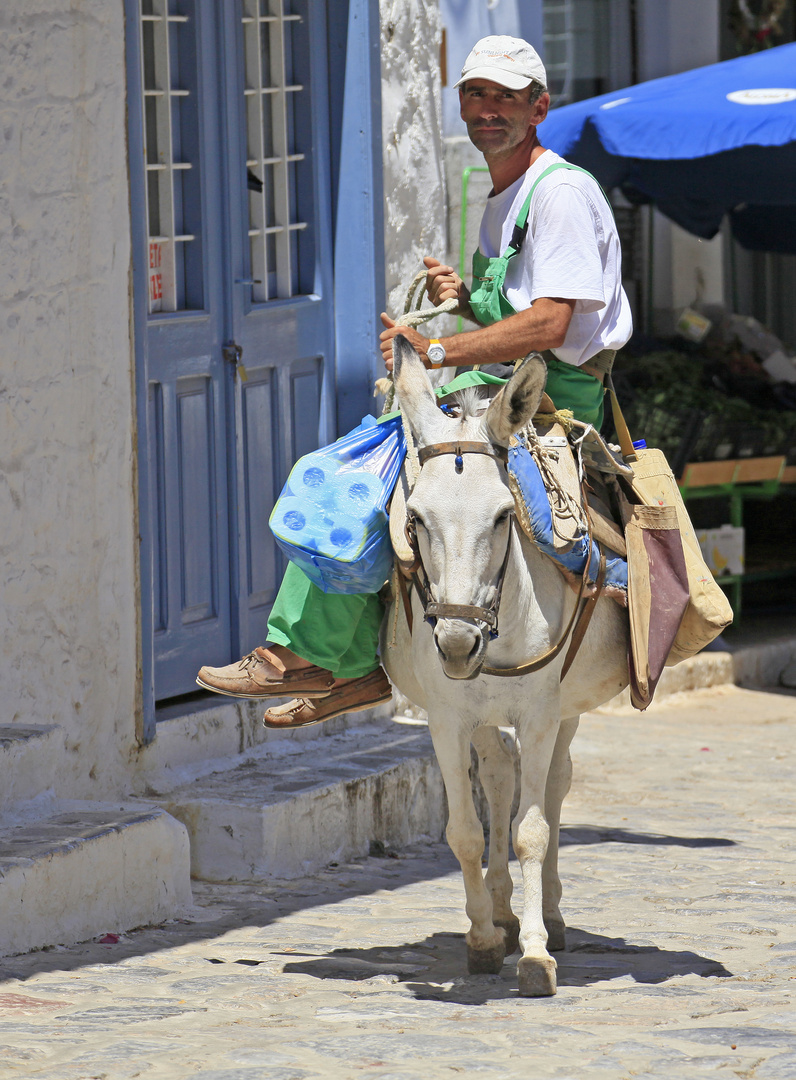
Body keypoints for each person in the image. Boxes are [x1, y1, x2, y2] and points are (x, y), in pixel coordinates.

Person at [197, 34, 632, 730]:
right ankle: (351, 663)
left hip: (543, 400)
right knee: (374, 485)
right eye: (476, 94)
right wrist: (466, 299)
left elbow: (551, 325)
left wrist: (434, 346)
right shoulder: (509, 195)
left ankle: (310, 659)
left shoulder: (561, 196)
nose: (487, 110)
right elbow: (522, 307)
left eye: (506, 97)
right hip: (499, 390)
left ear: (540, 106)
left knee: (348, 477)